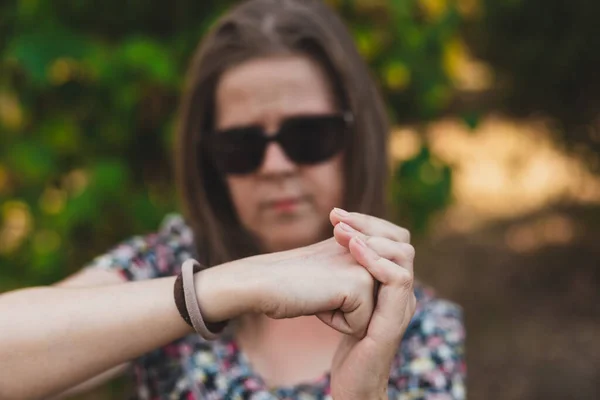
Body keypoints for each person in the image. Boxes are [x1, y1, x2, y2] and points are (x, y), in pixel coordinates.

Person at [0, 0, 465, 399]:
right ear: (208, 159)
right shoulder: (168, 264)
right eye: (241, 145)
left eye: (308, 135)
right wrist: (230, 285)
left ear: (355, 137)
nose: (276, 165)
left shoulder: (420, 329)